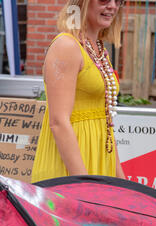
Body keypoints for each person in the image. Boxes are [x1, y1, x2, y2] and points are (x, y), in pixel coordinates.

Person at [31, 0, 125, 183]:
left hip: (98, 163)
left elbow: (106, 122)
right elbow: (58, 122)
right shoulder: (66, 46)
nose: (113, 6)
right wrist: (84, 184)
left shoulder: (99, 49)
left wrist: (122, 183)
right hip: (70, 169)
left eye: (118, 0)